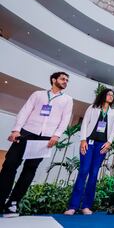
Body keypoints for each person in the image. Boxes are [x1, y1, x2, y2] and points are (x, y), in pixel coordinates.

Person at [0, 72, 73, 218]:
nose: (65, 81)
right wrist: (16, 130)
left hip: (45, 138)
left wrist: (56, 135)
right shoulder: (38, 94)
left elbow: (65, 119)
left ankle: (13, 203)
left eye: (67, 80)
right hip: (26, 133)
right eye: (63, 79)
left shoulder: (67, 99)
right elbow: (25, 111)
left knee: (30, 169)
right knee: (10, 165)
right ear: (54, 80)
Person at [64, 88, 114, 215]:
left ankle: (86, 206)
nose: (111, 96)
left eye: (112, 95)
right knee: (83, 171)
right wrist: (83, 140)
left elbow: (113, 128)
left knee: (94, 174)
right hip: (89, 143)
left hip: (102, 146)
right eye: (109, 94)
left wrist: (109, 142)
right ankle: (73, 206)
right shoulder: (92, 107)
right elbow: (84, 124)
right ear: (103, 95)